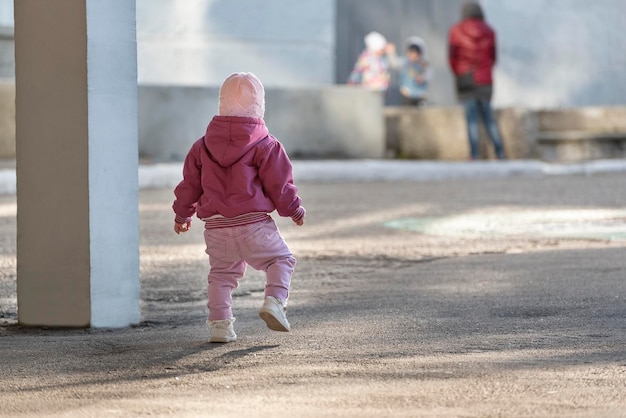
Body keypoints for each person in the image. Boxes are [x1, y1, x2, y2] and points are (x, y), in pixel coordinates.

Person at [172, 72, 306, 343]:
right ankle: (274, 302)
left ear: (221, 105)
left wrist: (182, 214)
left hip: (217, 227)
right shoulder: (266, 145)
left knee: (221, 275)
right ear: (260, 106)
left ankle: (220, 326)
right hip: (254, 225)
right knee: (280, 260)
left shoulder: (201, 147)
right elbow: (279, 185)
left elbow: (190, 184)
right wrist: (294, 209)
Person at [448, 2, 506, 160]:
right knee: (489, 117)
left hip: (465, 78)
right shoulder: (490, 31)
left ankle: (474, 154)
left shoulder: (456, 31)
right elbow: (493, 57)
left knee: (471, 118)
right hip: (485, 80)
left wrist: (459, 72)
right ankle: (500, 152)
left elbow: (453, 57)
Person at [397, 37, 432, 106]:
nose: (413, 56)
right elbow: (395, 63)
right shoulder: (405, 63)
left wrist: (423, 77)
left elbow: (429, 73)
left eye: (415, 54)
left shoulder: (422, 64)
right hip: (407, 92)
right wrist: (390, 53)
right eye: (411, 53)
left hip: (420, 93)